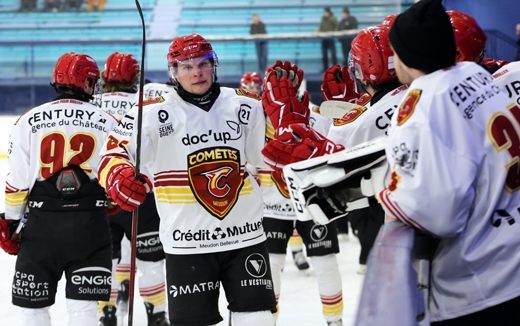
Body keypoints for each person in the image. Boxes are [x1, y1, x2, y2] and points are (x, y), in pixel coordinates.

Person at [97, 33, 277, 326]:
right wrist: (117, 174)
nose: (197, 72)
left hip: (245, 239)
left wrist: (287, 127)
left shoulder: (246, 105)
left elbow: (270, 158)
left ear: (214, 65)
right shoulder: (152, 112)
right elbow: (114, 152)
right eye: (187, 66)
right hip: (186, 246)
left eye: (203, 64)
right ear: (174, 72)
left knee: (258, 319)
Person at [378, 0, 520, 324]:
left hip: (483, 282)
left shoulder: (422, 101)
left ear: (408, 54)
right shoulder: (474, 73)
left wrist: (385, 192)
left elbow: (439, 214)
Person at [0, 52, 119, 325]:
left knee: (33, 309)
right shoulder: (109, 121)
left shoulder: (27, 120)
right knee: (84, 309)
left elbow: (16, 181)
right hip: (91, 225)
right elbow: (118, 175)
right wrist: (112, 201)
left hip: (41, 228)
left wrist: (11, 221)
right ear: (86, 82)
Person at [95, 52, 169, 326]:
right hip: (143, 195)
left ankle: (106, 313)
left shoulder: (91, 105)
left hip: (101, 195)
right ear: (136, 77)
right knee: (151, 261)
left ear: (104, 76)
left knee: (107, 262)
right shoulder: (147, 104)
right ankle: (157, 314)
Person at [316, 7, 338, 72]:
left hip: (331, 39)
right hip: (324, 39)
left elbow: (337, 25)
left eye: (326, 12)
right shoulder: (323, 19)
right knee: (324, 55)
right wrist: (318, 30)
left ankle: (335, 69)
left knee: (333, 55)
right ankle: (325, 69)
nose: (325, 14)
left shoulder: (333, 18)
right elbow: (321, 27)